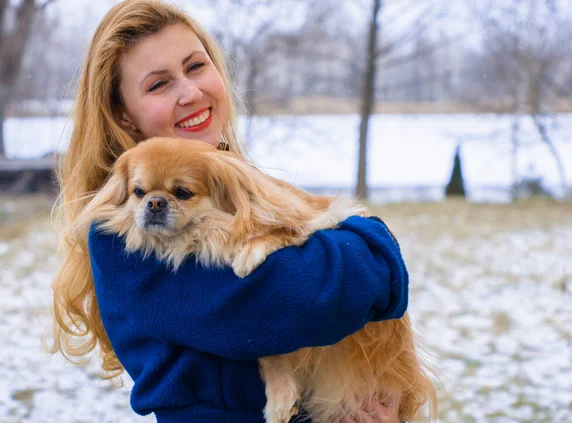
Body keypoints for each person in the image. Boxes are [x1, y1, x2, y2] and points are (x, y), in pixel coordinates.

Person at [50, 1, 413, 422]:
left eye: (196, 66)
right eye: (159, 85)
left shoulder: (244, 188)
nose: (190, 92)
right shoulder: (125, 233)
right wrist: (375, 249)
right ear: (123, 116)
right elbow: (300, 303)